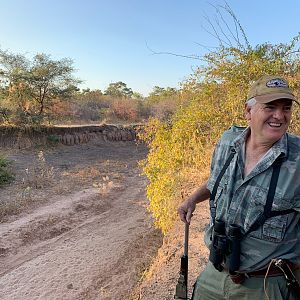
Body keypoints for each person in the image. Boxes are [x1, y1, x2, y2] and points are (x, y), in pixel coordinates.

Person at [178, 75, 300, 300]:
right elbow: (216, 180)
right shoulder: (228, 141)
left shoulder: (298, 158)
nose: (279, 116)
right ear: (248, 111)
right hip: (214, 275)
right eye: (270, 107)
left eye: (286, 108)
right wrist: (193, 198)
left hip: (266, 285)